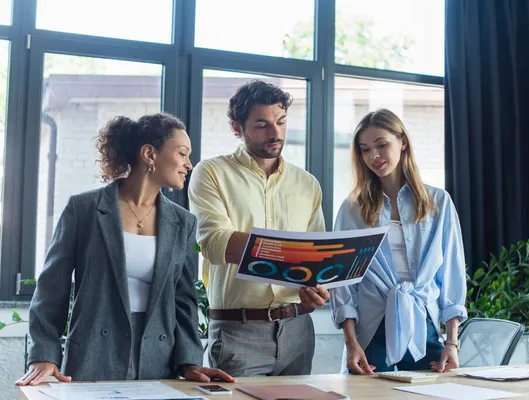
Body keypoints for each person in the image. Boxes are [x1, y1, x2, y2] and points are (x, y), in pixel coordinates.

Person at [16, 113, 234, 385]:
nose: (189, 164)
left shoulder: (183, 222)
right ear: (149, 154)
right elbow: (51, 290)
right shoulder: (83, 210)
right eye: (182, 153)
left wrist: (189, 362)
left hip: (158, 358)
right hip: (92, 356)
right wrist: (44, 355)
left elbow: (184, 300)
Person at [188, 80, 330, 377]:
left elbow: (316, 257)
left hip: (298, 330)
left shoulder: (307, 184)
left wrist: (317, 288)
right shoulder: (211, 172)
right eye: (262, 125)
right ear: (237, 128)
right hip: (238, 331)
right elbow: (216, 244)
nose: (275, 133)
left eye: (281, 122)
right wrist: (291, 253)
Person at [331, 108, 467, 375]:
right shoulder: (352, 208)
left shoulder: (437, 202)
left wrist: (452, 341)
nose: (374, 156)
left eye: (382, 145)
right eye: (365, 149)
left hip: (424, 324)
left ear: (402, 142)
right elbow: (342, 282)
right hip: (371, 329)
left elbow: (451, 273)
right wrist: (350, 343)